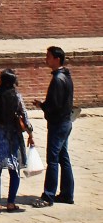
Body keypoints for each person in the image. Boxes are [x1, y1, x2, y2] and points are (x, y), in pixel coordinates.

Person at [0, 68, 34, 212]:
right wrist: (30, 133)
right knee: (14, 169)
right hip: (13, 137)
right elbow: (25, 117)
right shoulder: (17, 97)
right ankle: (11, 203)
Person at [32, 46, 74, 207]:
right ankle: (67, 193)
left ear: (57, 59)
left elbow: (54, 105)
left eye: (48, 56)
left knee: (53, 160)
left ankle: (48, 196)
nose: (46, 59)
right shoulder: (66, 76)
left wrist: (43, 106)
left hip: (58, 123)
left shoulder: (58, 79)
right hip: (66, 121)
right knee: (64, 158)